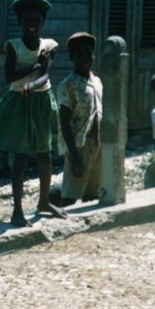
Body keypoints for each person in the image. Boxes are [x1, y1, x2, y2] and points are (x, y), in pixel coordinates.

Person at [0, 0, 67, 227]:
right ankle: (17, 211)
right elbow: (10, 76)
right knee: (21, 157)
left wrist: (32, 83)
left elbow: (46, 76)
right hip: (19, 103)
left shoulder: (49, 46)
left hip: (42, 101)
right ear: (19, 21)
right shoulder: (14, 46)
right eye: (27, 20)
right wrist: (34, 66)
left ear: (43, 22)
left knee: (44, 154)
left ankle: (44, 202)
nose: (32, 24)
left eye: (37, 20)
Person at [55, 32, 103, 207]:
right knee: (70, 195)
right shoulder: (68, 85)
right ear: (71, 58)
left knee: (92, 195)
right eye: (80, 55)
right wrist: (74, 156)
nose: (85, 59)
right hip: (79, 147)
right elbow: (64, 123)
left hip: (97, 144)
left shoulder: (97, 81)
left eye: (89, 54)